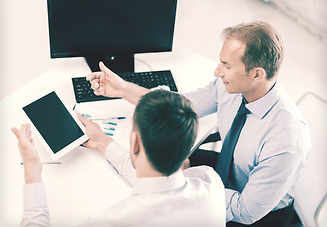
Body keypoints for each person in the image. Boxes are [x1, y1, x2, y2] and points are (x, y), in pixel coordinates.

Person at [87, 21, 311, 226]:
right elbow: (176, 106)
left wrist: (179, 187)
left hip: (259, 216)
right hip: (227, 173)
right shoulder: (232, 89)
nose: (217, 72)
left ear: (256, 75)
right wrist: (124, 89)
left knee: (156, 176)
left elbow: (246, 211)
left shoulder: (287, 139)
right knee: (158, 160)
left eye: (226, 65)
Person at [12, 90, 226, 227]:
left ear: (134, 143)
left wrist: (31, 169)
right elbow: (158, 182)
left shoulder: (114, 220)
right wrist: (101, 142)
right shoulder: (210, 182)